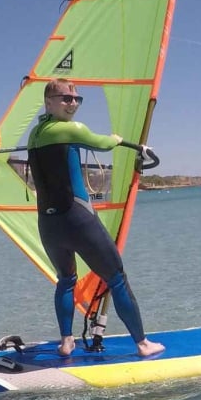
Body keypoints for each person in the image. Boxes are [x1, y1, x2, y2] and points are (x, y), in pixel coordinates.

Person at [27, 79, 164, 358]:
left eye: (77, 99)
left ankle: (66, 342)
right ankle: (142, 344)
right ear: (49, 101)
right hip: (78, 219)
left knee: (66, 280)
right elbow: (102, 144)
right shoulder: (72, 129)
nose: (73, 103)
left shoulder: (35, 134)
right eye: (65, 98)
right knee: (117, 278)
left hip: (49, 224)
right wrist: (118, 139)